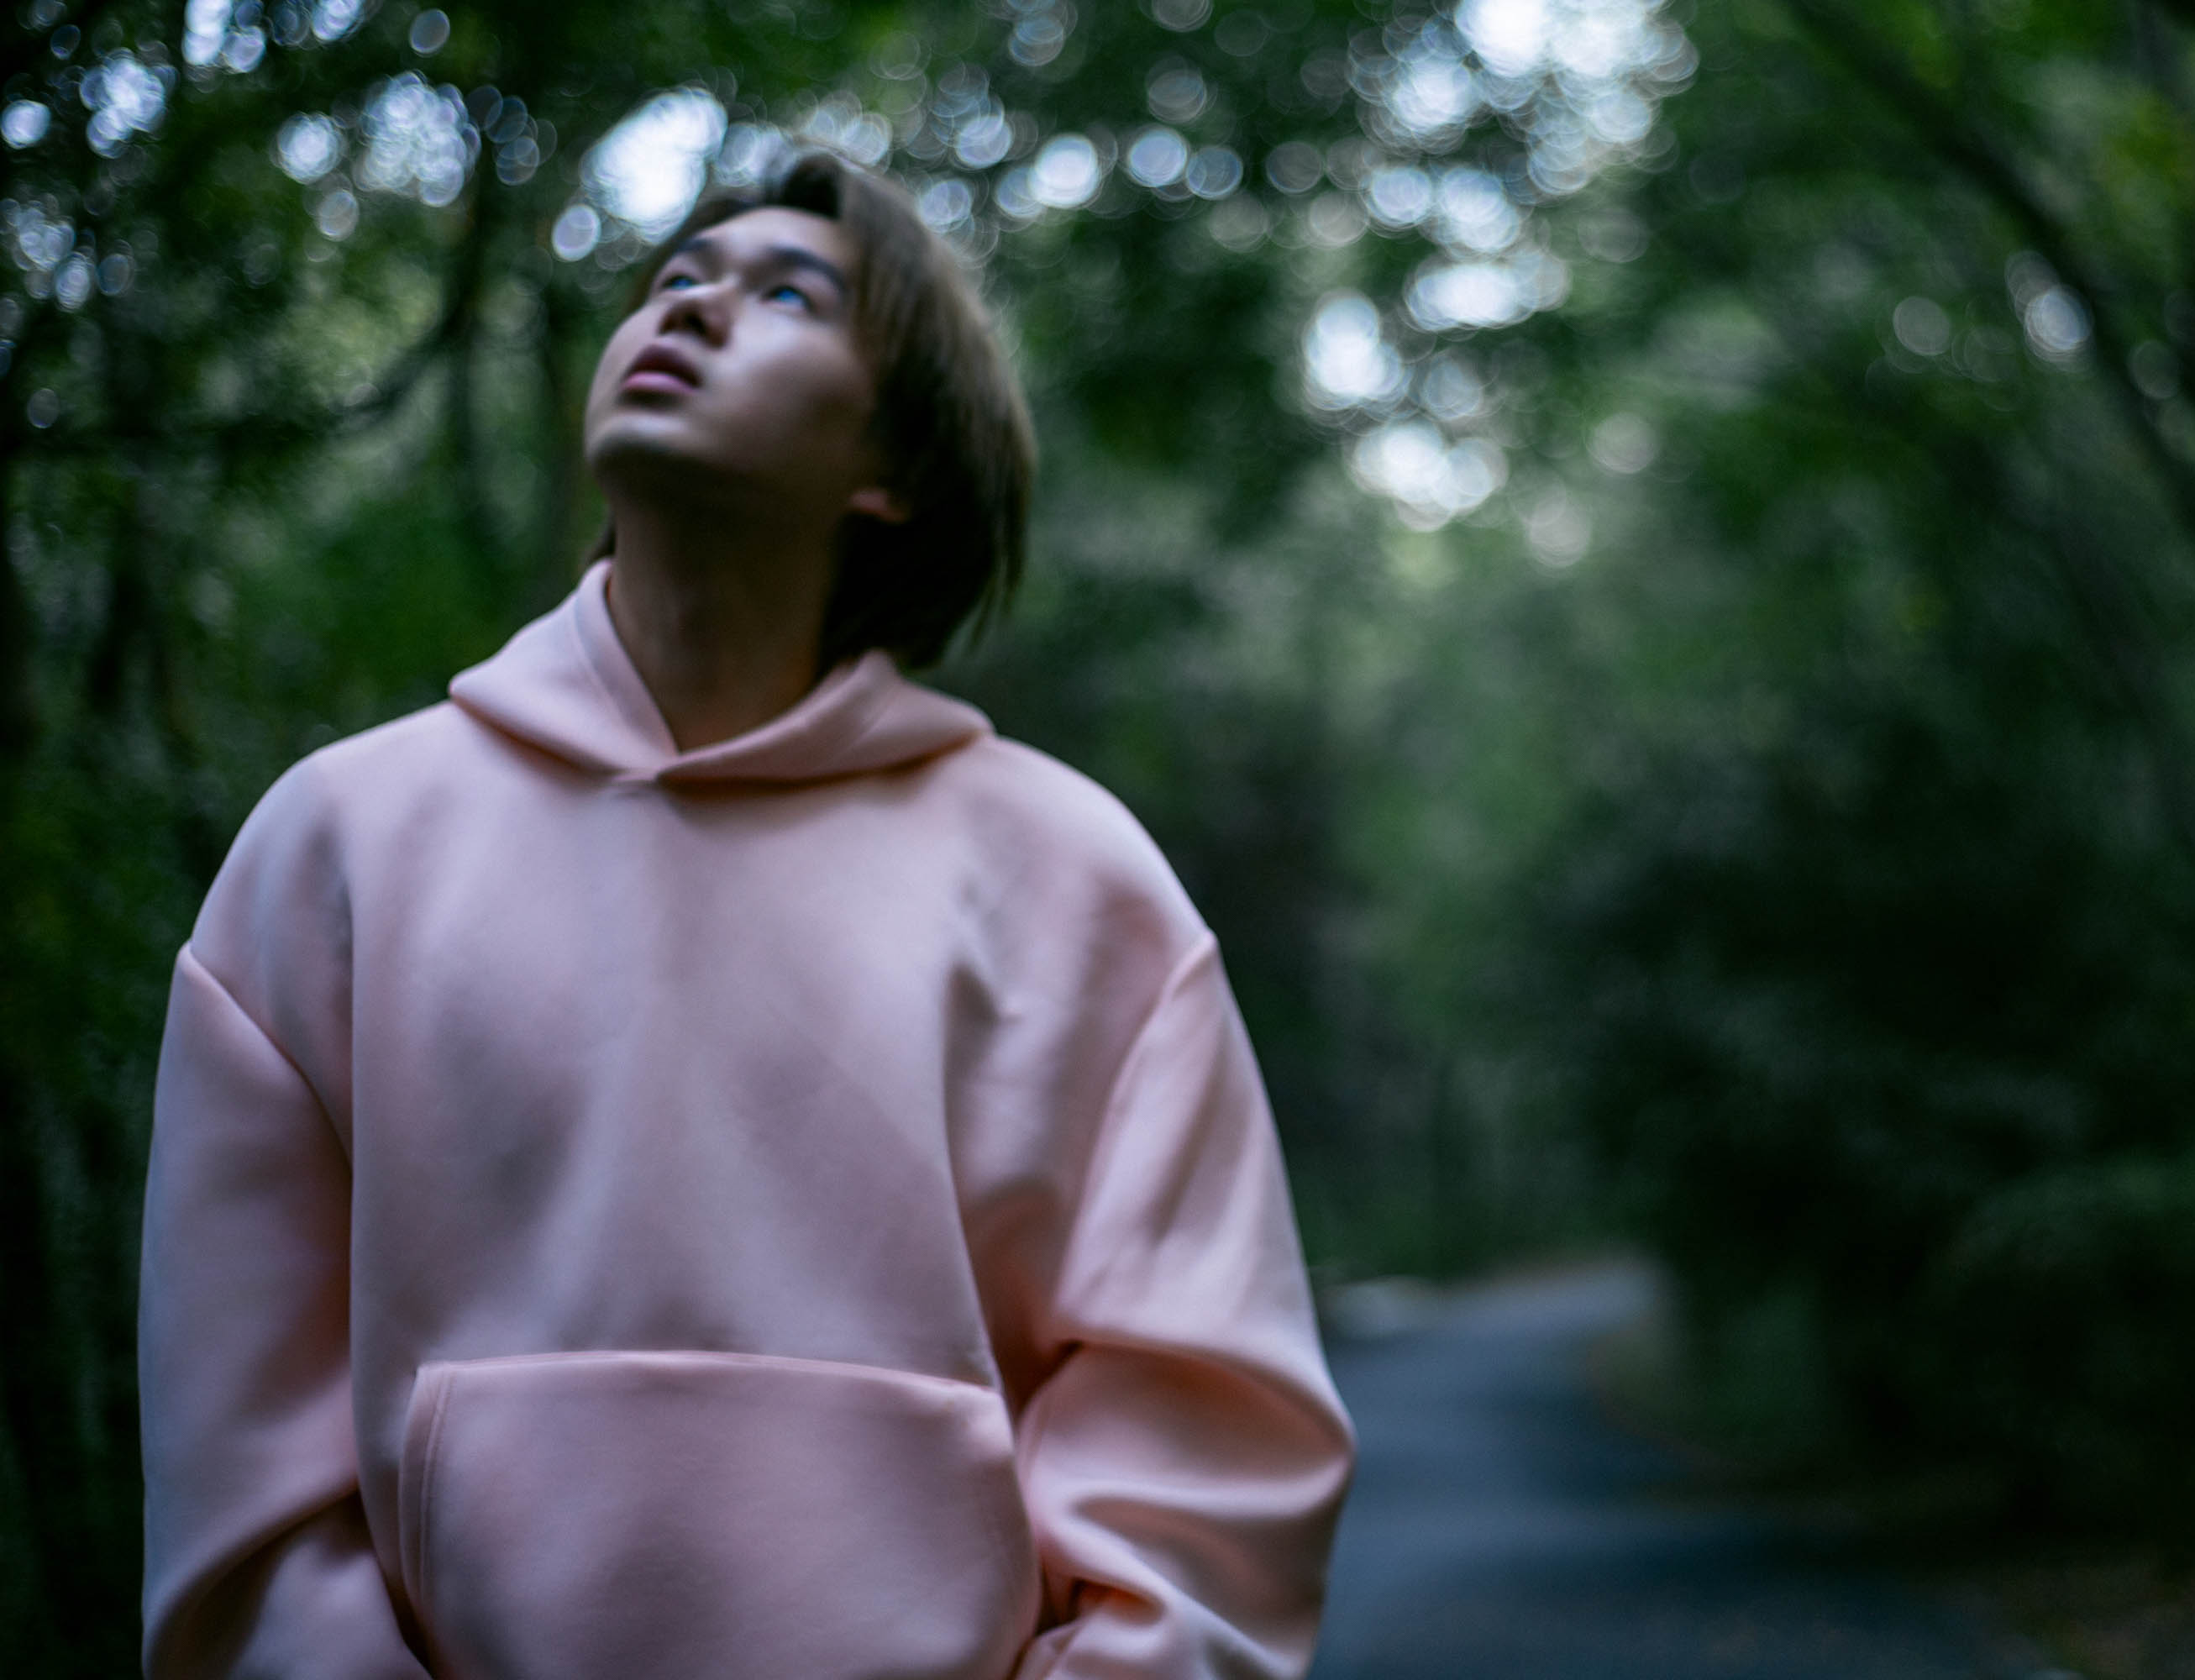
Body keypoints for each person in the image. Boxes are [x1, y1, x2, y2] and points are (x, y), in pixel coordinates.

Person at [136, 150, 1354, 1679]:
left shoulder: (1074, 883)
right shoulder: (335, 847)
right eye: (673, 281)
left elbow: (1201, 1475)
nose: (694, 309)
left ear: (891, 465)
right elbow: (245, 1499)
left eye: (788, 295)